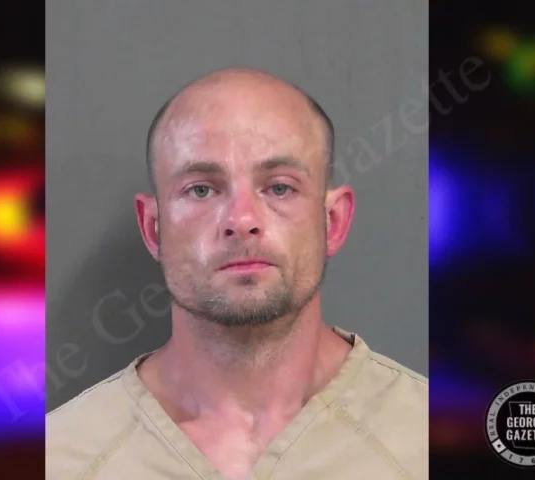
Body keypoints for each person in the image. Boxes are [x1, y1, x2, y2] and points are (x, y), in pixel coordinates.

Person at [46, 67, 428, 480]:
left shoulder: (425, 440)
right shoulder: (62, 457)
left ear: (332, 222)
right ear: (154, 228)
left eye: (280, 187)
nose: (241, 220)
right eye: (201, 189)